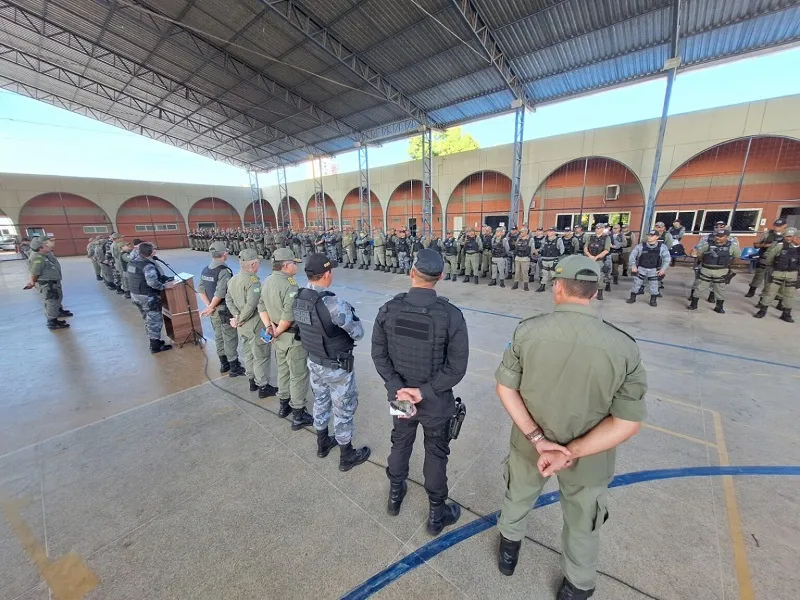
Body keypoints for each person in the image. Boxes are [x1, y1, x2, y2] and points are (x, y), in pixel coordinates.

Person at [494, 255, 647, 600]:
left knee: (518, 496)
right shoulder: (624, 346)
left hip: (530, 446)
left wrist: (538, 440)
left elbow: (506, 389)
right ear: (594, 294)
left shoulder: (527, 331)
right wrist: (571, 453)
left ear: (558, 287)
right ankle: (577, 586)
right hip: (589, 457)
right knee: (582, 521)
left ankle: (508, 555)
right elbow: (627, 422)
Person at [371, 249, 469, 534]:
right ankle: (437, 514)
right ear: (441, 276)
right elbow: (456, 368)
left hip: (401, 398)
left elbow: (379, 355)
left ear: (411, 272)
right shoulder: (451, 316)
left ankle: (394, 496)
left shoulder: (389, 309)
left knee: (400, 443)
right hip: (436, 402)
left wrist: (398, 388)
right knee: (436, 454)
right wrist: (423, 391)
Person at [292, 254, 370, 471]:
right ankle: (347, 456)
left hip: (314, 361)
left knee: (320, 401)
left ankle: (322, 444)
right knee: (343, 408)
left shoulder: (298, 297)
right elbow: (358, 333)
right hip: (336, 367)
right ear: (326, 275)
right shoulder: (333, 303)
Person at [258, 248, 316, 429]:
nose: (296, 266)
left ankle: (284, 406)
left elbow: (261, 305)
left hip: (277, 336)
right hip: (289, 336)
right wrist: (278, 331)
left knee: (283, 370)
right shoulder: (289, 284)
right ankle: (298, 413)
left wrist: (269, 327)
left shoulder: (267, 280)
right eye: (294, 263)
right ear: (286, 265)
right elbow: (288, 315)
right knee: (298, 375)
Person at [226, 249, 278, 398]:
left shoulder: (233, 279)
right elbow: (252, 305)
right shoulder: (253, 281)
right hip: (256, 324)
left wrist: (236, 317)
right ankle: (263, 386)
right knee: (261, 354)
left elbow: (228, 299)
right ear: (254, 264)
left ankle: (252, 380)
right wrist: (240, 318)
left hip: (242, 327)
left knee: (248, 352)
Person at [199, 241, 246, 377]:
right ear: (224, 254)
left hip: (214, 310)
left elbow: (201, 289)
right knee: (229, 337)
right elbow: (220, 292)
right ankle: (233, 366)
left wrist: (209, 306)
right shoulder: (223, 271)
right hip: (224, 309)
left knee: (219, 336)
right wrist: (212, 306)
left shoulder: (206, 269)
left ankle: (223, 364)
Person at [125, 242, 173, 352]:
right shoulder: (147, 265)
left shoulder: (133, 262)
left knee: (148, 319)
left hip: (136, 295)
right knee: (155, 320)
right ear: (151, 252)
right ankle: (155, 345)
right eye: (153, 249)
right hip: (148, 297)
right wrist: (165, 286)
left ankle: (154, 339)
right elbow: (152, 283)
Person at [24, 236, 72, 330]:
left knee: (55, 300)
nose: (49, 246)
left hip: (52, 282)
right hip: (48, 284)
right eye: (46, 245)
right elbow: (34, 273)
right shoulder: (38, 258)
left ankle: (56, 314)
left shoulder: (44, 255)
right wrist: (32, 282)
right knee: (51, 301)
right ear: (40, 248)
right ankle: (52, 322)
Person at [688, 229, 740, 314]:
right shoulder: (707, 244)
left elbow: (737, 257)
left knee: (720, 289)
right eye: (717, 236)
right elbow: (699, 255)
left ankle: (719, 307)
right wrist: (704, 262)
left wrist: (727, 264)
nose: (718, 238)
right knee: (699, 287)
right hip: (706, 269)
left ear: (726, 237)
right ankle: (694, 304)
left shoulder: (733, 246)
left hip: (721, 271)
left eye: (721, 236)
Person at [754, 227, 798, 323]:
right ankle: (762, 311)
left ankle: (786, 314)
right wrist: (773, 268)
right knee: (770, 291)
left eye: (793, 236)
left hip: (793, 274)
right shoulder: (780, 245)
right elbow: (770, 258)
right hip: (778, 272)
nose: (790, 238)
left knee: (789, 295)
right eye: (788, 236)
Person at [626, 230, 671, 307]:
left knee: (654, 286)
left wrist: (663, 269)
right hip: (641, 268)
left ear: (657, 237)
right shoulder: (640, 246)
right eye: (649, 235)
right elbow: (632, 256)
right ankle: (632, 297)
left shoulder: (662, 247)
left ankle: (653, 300)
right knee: (636, 284)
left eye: (652, 236)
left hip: (654, 269)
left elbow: (667, 258)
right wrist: (633, 266)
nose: (650, 237)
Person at [746, 218, 787, 298]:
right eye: (775, 226)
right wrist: (764, 245)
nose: (776, 227)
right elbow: (756, 244)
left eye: (779, 226)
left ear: (785, 226)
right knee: (758, 276)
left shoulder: (788, 235)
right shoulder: (768, 233)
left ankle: (766, 297)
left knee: (772, 280)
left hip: (779, 261)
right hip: (764, 258)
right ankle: (752, 290)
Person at [584, 224, 611, 300]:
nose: (597, 229)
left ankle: (600, 292)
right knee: (588, 275)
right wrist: (590, 256)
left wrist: (596, 257)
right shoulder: (590, 237)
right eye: (596, 228)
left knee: (599, 276)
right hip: (590, 259)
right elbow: (585, 248)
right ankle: (588, 292)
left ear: (603, 229)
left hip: (599, 260)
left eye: (598, 228)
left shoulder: (606, 238)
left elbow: (606, 250)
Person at [536, 227, 564, 292]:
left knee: (554, 274)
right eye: (548, 231)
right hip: (545, 259)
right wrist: (538, 252)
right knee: (544, 274)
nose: (548, 232)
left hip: (553, 260)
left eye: (550, 231)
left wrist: (557, 256)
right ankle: (542, 287)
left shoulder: (558, 239)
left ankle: (557, 288)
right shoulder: (545, 239)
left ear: (554, 232)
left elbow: (562, 250)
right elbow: (542, 248)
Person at [513, 227, 533, 291]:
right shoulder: (519, 239)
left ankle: (526, 285)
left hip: (525, 258)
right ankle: (515, 284)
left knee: (525, 272)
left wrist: (531, 256)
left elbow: (532, 249)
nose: (521, 233)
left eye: (522, 232)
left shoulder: (530, 240)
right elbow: (516, 247)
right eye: (520, 232)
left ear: (526, 232)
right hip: (518, 258)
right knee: (517, 271)